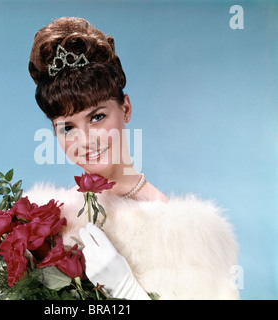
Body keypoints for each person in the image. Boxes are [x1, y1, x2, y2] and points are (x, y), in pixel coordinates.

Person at [26, 17, 239, 299]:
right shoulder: (45, 220)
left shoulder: (182, 233)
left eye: (98, 116)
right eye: (68, 127)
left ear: (125, 109)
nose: (86, 140)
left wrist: (129, 291)